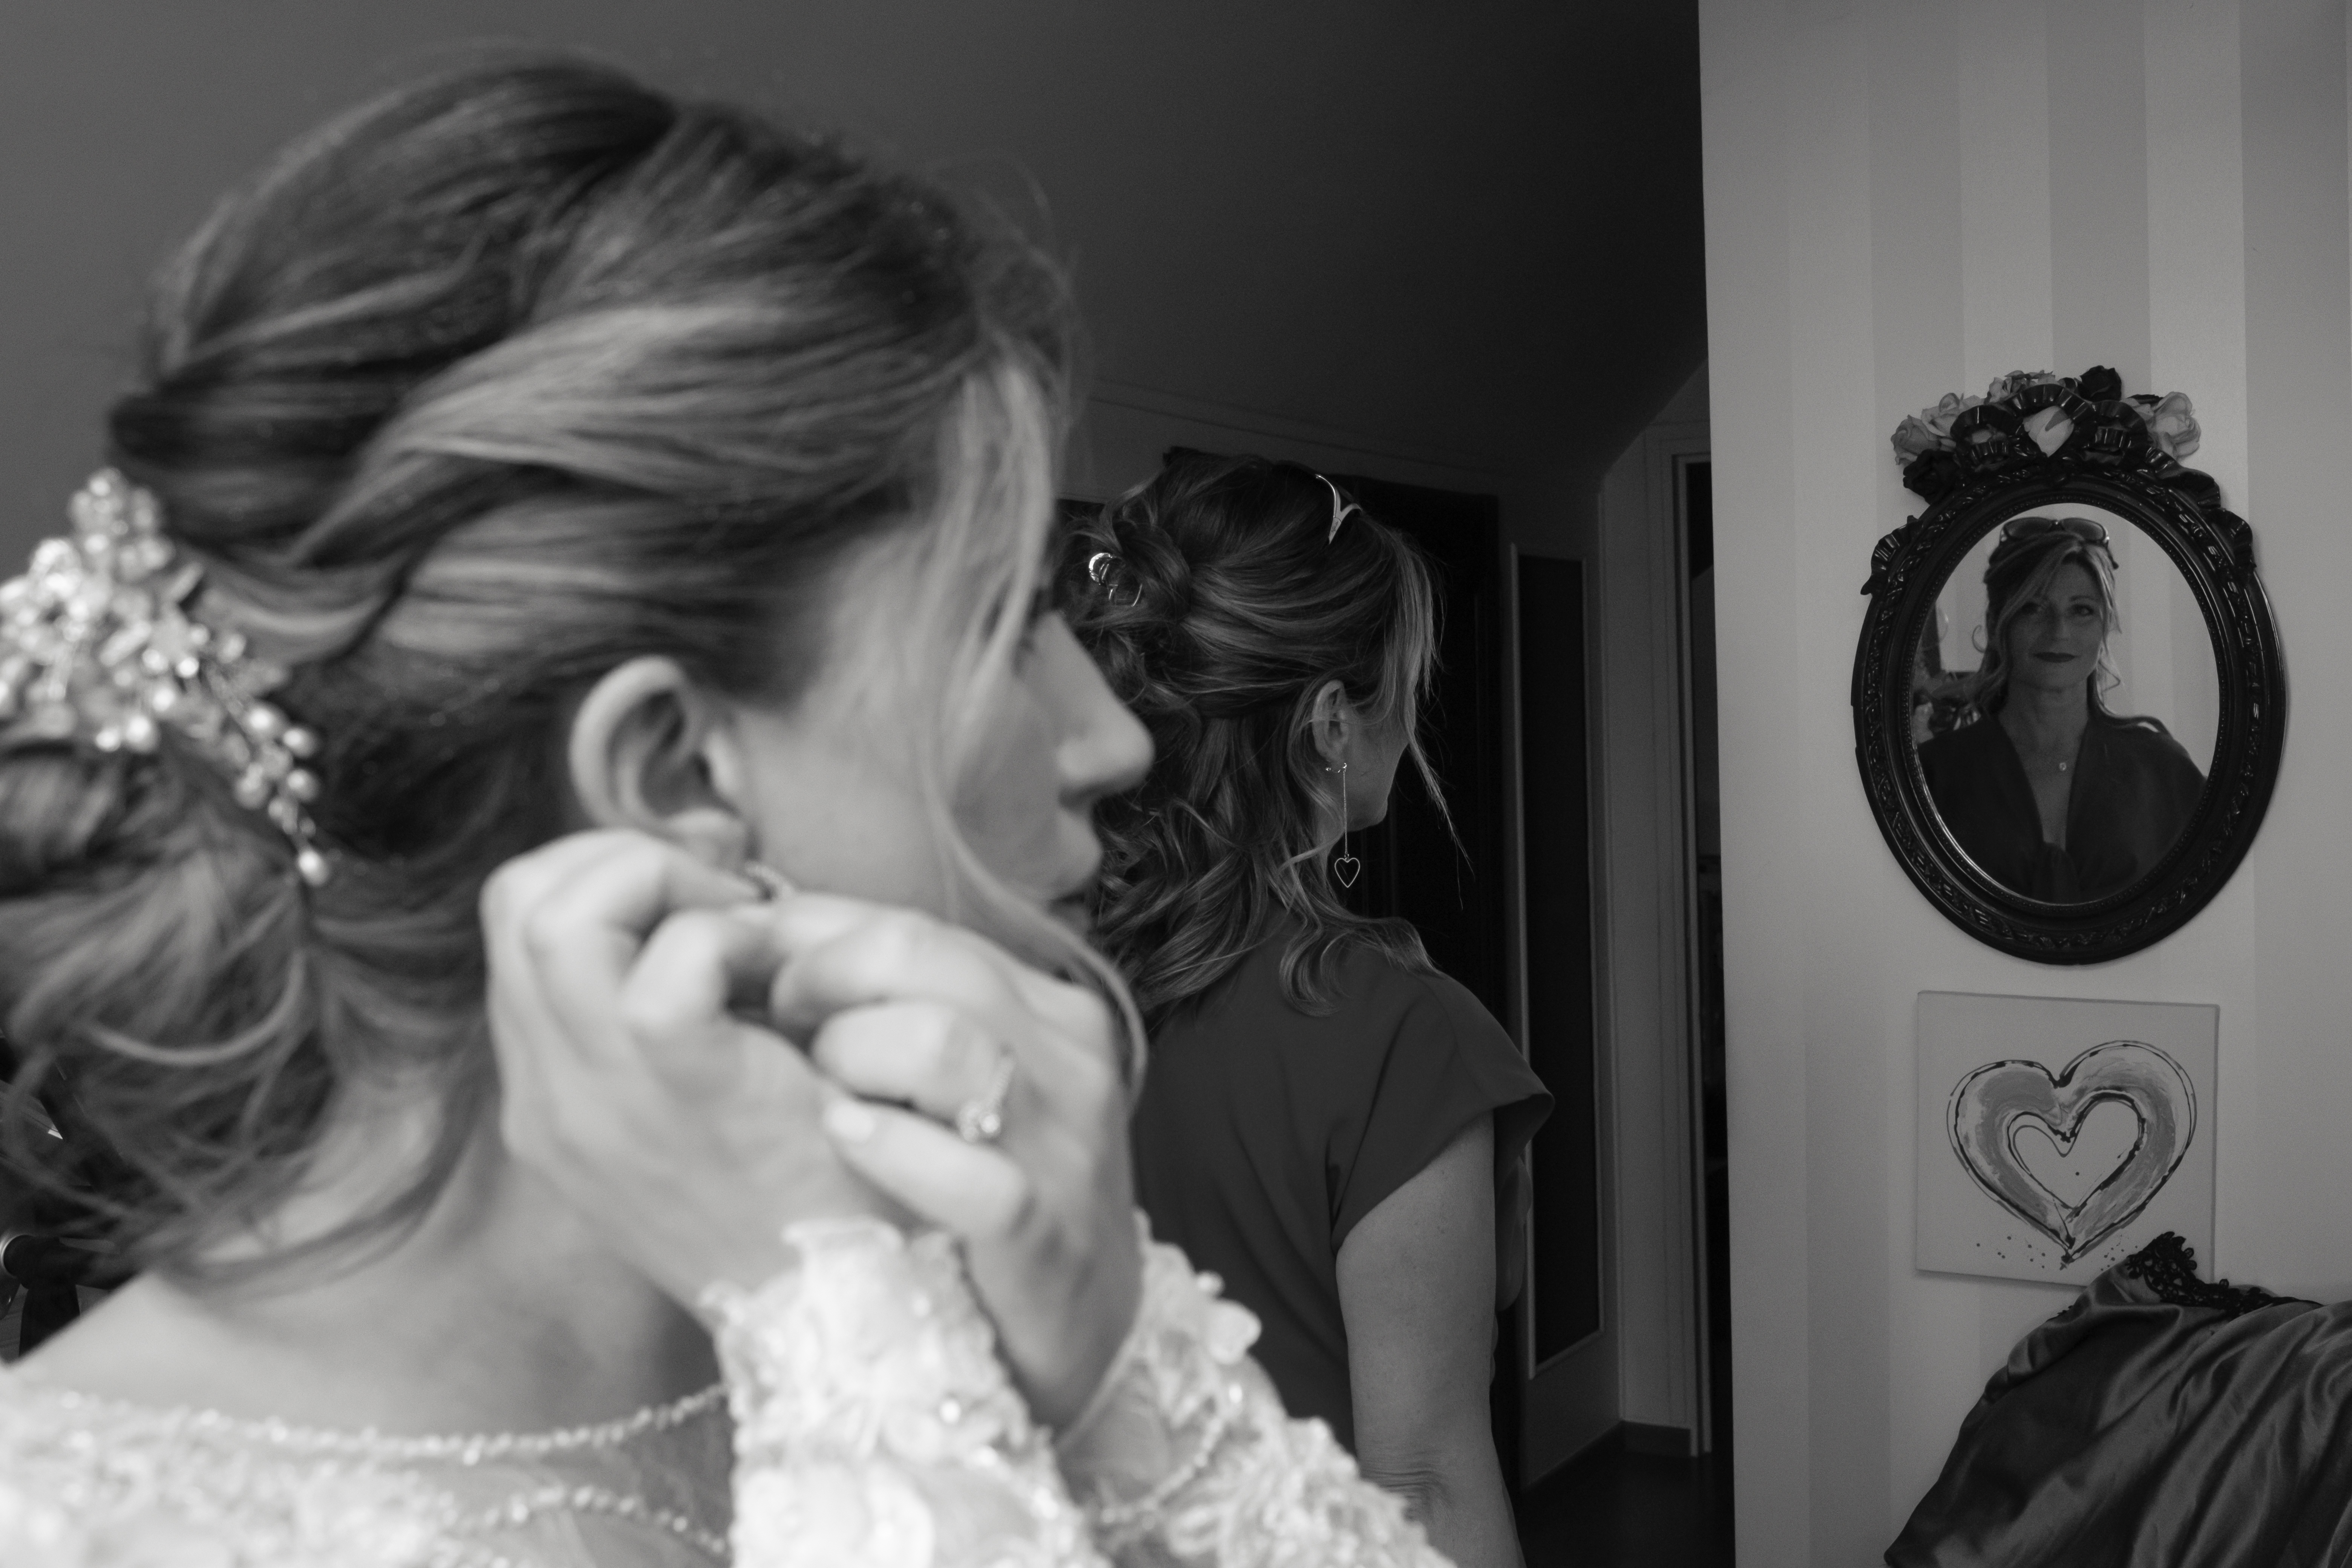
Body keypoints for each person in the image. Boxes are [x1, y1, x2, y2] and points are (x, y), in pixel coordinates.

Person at [0, 61, 1453, 1566]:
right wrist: (872, 1355)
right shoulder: (83, 1526)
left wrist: (1098, 1377)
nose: (1107, 736)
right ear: (675, 778)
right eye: (1007, 617)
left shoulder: (987, 1278)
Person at [1063, 454, 1550, 1568]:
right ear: (1331, 723)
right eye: (1403, 683)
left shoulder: (1030, 973)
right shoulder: (1402, 1037)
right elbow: (1421, 1480)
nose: (1412, 716)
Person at [1916, 516, 2206, 903]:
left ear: (2105, 626)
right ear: (1996, 622)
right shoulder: (1936, 772)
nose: (2059, 631)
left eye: (2082, 610)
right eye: (2033, 608)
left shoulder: (2163, 770)